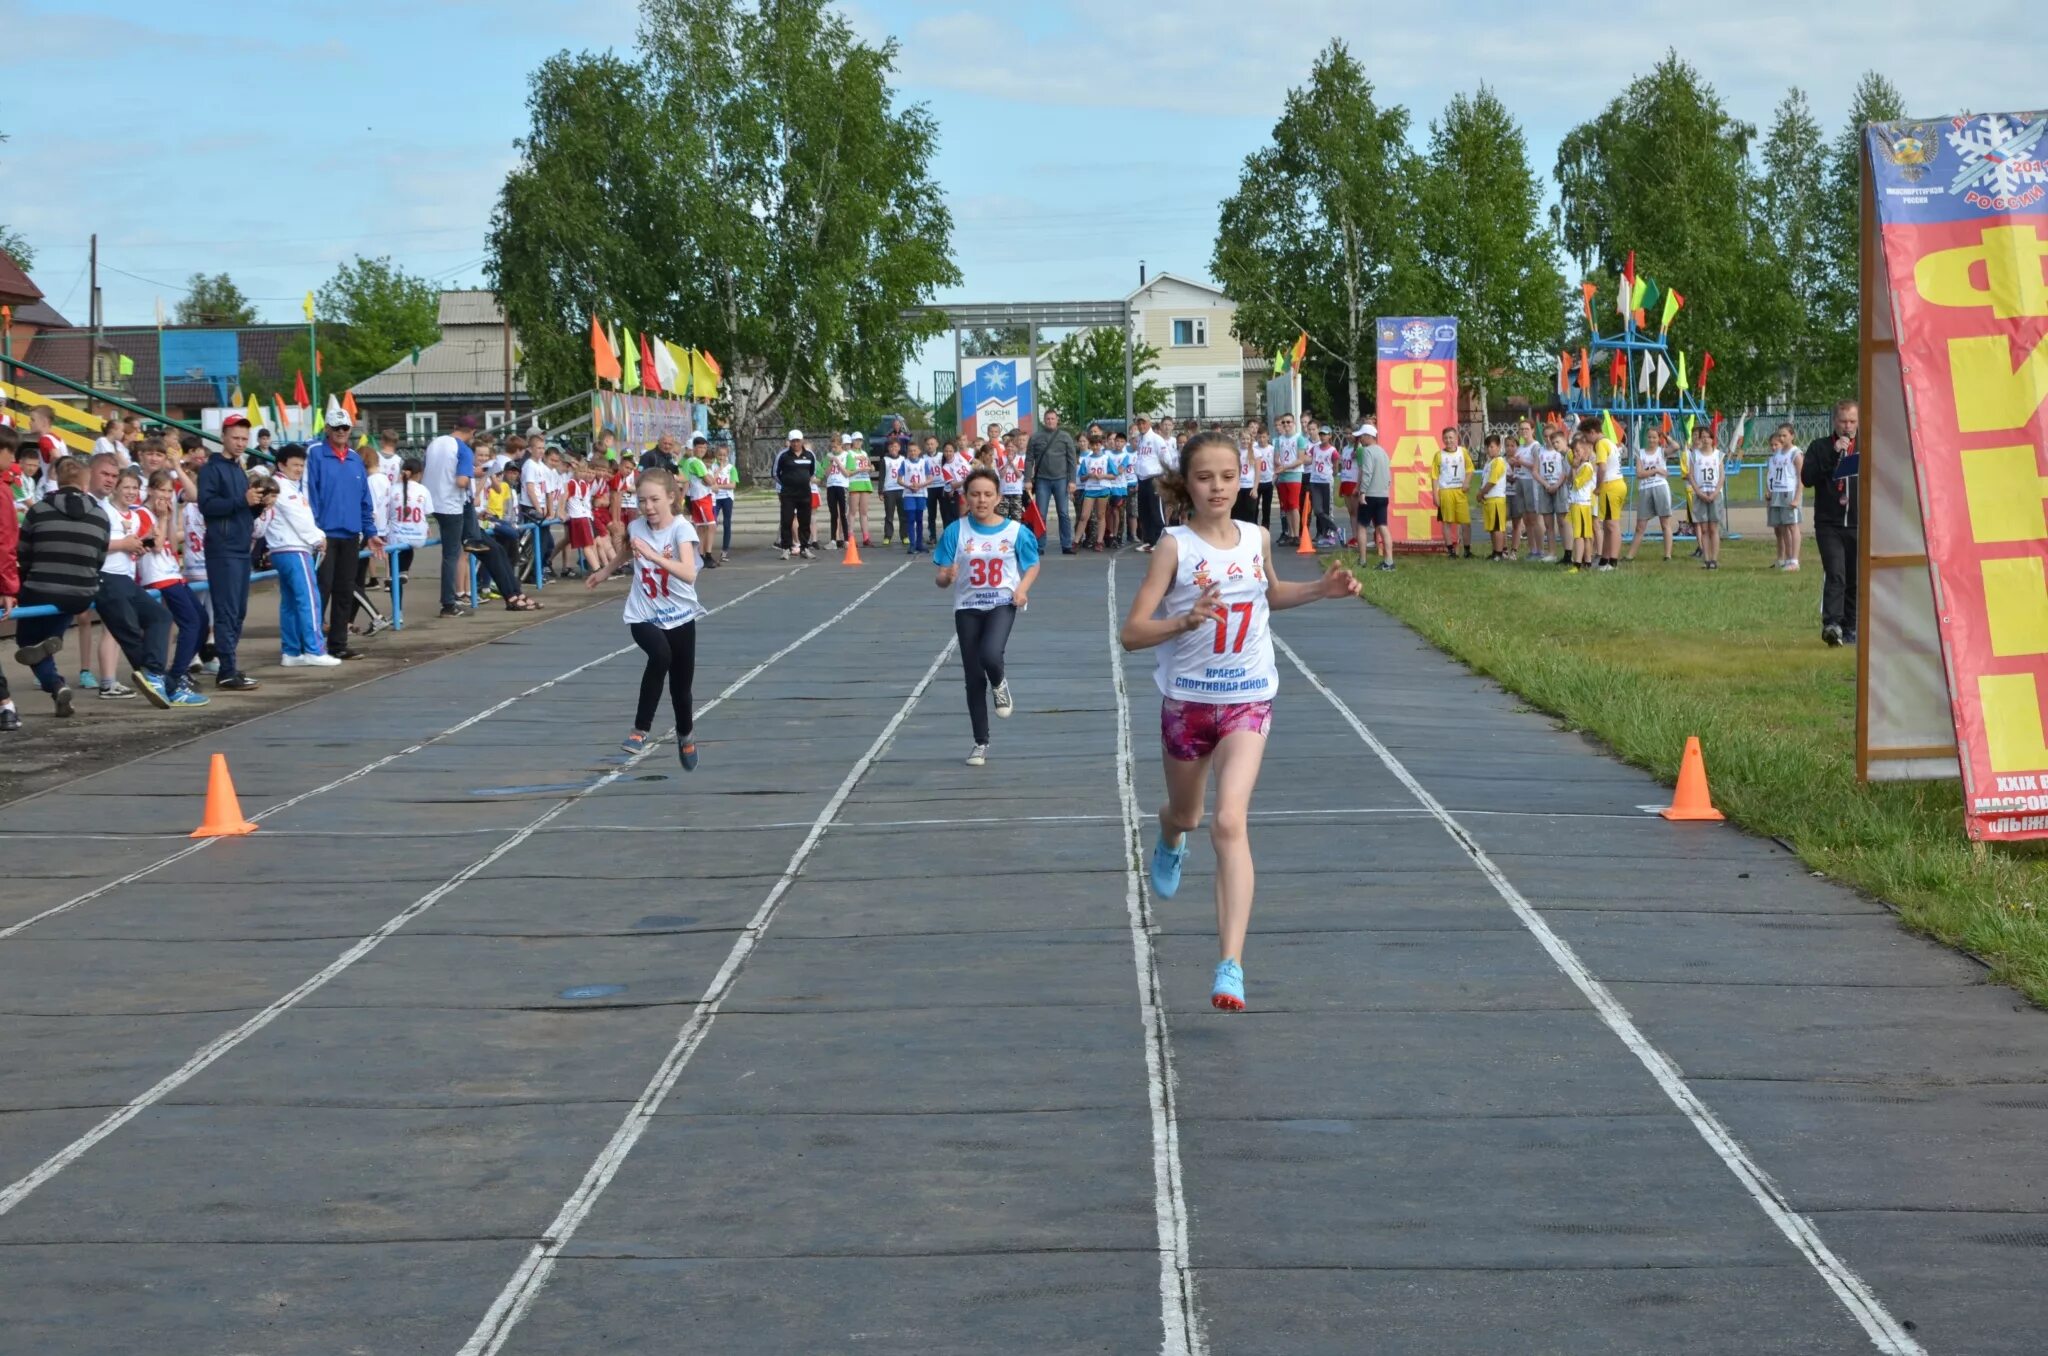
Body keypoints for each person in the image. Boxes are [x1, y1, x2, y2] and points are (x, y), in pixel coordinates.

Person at [1119, 431, 1360, 1012]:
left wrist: (1323, 590)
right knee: (1190, 814)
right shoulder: (1173, 547)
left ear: (1243, 478)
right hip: (1187, 705)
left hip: (1250, 698)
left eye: (1228, 476)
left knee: (1230, 821)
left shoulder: (1255, 537)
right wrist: (1183, 622)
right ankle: (1170, 834)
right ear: (1187, 483)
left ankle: (1231, 965)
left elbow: (1268, 596)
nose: (1218, 487)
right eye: (1205, 477)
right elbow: (1131, 634)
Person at [586, 468, 702, 770]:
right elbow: (626, 552)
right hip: (643, 612)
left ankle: (685, 734)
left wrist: (654, 556)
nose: (648, 507)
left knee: (681, 688)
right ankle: (640, 731)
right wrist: (604, 572)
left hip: (679, 615)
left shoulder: (681, 529)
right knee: (659, 655)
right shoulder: (636, 527)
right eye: (641, 501)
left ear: (671, 498)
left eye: (654, 500)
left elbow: (689, 574)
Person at [933, 465, 1040, 767]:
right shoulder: (956, 530)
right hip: (967, 607)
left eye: (987, 494)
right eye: (975, 494)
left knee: (991, 654)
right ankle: (980, 742)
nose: (981, 500)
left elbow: (1032, 564)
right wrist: (947, 577)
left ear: (998, 497)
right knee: (971, 676)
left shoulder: (1015, 531)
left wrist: (1022, 589)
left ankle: (1000, 682)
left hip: (1002, 602)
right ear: (965, 497)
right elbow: (940, 579)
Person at [10, 455, 111, 720]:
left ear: (57, 480)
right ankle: (55, 673)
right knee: (44, 642)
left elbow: (25, 554)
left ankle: (55, 685)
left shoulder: (38, 510)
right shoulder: (100, 516)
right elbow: (99, 559)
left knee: (27, 642)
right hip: (80, 593)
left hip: (40, 588)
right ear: (85, 484)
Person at [302, 412, 382, 660]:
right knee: (321, 590)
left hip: (350, 534)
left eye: (345, 427)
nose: (340, 431)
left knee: (345, 590)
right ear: (327, 428)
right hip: (324, 535)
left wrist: (370, 531)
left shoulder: (355, 459)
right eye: (336, 427)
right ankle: (313, 645)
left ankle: (338, 643)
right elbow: (309, 494)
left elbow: (364, 499)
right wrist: (314, 532)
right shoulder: (315, 454)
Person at [196, 413, 263, 689]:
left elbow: (240, 508)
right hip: (222, 549)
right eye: (235, 437)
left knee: (238, 610)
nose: (240, 443)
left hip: (239, 547)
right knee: (226, 610)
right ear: (223, 436)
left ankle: (230, 666)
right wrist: (242, 500)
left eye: (244, 439)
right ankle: (226, 669)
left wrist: (259, 505)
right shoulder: (212, 469)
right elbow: (207, 506)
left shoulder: (238, 468)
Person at [262, 445, 341, 668]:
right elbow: (299, 519)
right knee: (309, 599)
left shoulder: (286, 486)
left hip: (284, 549)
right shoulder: (282, 487)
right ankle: (314, 649)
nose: (299, 469)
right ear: (281, 465)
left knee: (290, 602)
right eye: (295, 465)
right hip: (293, 548)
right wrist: (318, 538)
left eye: (301, 465)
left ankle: (291, 650)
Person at [140, 469, 210, 705]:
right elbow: (157, 546)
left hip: (172, 572)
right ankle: (174, 680)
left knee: (201, 620)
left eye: (170, 491)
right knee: (190, 622)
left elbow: (170, 542)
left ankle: (175, 674)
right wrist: (161, 518)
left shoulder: (165, 512)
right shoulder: (142, 513)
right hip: (158, 575)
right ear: (150, 490)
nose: (166, 495)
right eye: (162, 490)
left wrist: (170, 516)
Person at [1802, 400, 1859, 643]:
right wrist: (1834, 454)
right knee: (1836, 572)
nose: (1848, 427)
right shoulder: (1820, 447)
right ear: (1834, 422)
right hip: (1829, 523)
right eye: (1843, 421)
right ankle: (1832, 624)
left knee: (1855, 576)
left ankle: (1851, 627)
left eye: (1853, 421)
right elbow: (1808, 478)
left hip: (1858, 522)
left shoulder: (1867, 446)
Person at [422, 413, 480, 618]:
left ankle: (473, 536)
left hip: (432, 501)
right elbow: (462, 482)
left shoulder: (435, 443)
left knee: (452, 551)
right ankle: (448, 603)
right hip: (450, 505)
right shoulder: (464, 450)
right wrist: (474, 474)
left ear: (455, 425)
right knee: (451, 555)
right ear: (472, 432)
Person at [1026, 409, 1079, 554]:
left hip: (1061, 480)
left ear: (1057, 420)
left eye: (1052, 418)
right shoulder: (1035, 437)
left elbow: (1072, 461)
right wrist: (1027, 480)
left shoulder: (1065, 437)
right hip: (1042, 480)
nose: (1050, 421)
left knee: (1063, 513)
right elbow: (1029, 459)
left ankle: (1066, 545)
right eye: (1047, 418)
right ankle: (1040, 546)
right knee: (1040, 514)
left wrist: (1072, 481)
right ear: (1044, 420)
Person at [1625, 426, 1676, 563]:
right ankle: (1630, 555)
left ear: (1658, 439)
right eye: (1649, 437)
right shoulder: (1641, 453)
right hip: (1645, 488)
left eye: (1655, 437)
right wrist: (1657, 470)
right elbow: (1639, 474)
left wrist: (1665, 436)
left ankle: (1667, 555)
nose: (1652, 440)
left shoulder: (1661, 452)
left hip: (1660, 487)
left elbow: (1676, 447)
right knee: (1640, 525)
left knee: (1664, 522)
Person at [1353, 423, 1393, 571]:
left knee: (1362, 525)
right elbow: (1388, 475)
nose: (1360, 439)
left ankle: (1362, 560)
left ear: (1369, 436)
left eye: (1362, 436)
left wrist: (1362, 491)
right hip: (1383, 494)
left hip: (1370, 495)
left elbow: (1367, 472)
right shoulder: (1383, 452)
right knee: (1382, 525)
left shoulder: (1367, 451)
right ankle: (1389, 561)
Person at [773, 430, 818, 559]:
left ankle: (804, 548)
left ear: (802, 441)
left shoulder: (809, 455)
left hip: (804, 493)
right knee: (786, 520)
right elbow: (775, 473)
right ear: (790, 441)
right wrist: (786, 483)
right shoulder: (783, 455)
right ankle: (786, 548)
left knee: (805, 521)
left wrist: (802, 481)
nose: (795, 444)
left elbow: (812, 472)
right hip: (788, 494)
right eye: (793, 441)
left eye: (798, 441)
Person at [1766, 423, 1804, 571]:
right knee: (1782, 527)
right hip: (1777, 492)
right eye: (1780, 435)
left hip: (1789, 492)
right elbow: (1772, 473)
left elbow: (1801, 477)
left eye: (1785, 435)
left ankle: (1794, 560)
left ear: (1792, 436)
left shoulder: (1796, 453)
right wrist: (1769, 489)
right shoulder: (1778, 454)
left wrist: (1797, 498)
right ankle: (1787, 558)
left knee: (1792, 526)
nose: (1782, 438)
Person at [1688, 426, 1726, 571]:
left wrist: (1716, 492)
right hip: (1700, 493)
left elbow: (1722, 475)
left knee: (1713, 528)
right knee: (1703, 529)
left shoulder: (1718, 455)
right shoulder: (1694, 455)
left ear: (1712, 439)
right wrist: (1698, 492)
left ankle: (1714, 560)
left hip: (1714, 494)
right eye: (1702, 437)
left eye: (1707, 436)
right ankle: (1707, 558)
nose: (1704, 439)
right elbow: (1691, 475)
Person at [1432, 427, 1472, 557]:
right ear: (1443, 439)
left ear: (1456, 439)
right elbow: (1435, 476)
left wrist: (1467, 482)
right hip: (1446, 491)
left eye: (1451, 438)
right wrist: (1435, 494)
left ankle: (1467, 550)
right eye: (1446, 438)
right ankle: (1451, 550)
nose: (1448, 440)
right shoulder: (1439, 455)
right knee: (1447, 522)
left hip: (1460, 491)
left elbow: (1470, 468)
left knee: (1465, 522)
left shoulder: (1463, 452)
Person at [1271, 412, 1307, 546]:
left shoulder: (1299, 438)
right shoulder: (1279, 439)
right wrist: (1279, 465)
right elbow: (1276, 457)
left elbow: (1301, 459)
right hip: (1283, 475)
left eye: (1288, 422)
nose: (1286, 424)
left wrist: (1285, 467)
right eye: (1284, 422)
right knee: (1286, 506)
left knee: (1294, 504)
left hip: (1294, 474)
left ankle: (1297, 534)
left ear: (1293, 423)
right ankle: (1291, 533)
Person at [1566, 431, 1597, 572]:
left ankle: (1578, 563)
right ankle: (1587, 562)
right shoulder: (1580, 467)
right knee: (1583, 534)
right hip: (1577, 503)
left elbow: (1577, 483)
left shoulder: (1587, 467)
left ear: (1586, 451)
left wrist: (1573, 468)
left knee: (1579, 535)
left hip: (1581, 503)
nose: (1576, 454)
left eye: (1578, 451)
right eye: (1574, 451)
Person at [1479, 435, 1511, 560]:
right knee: (1492, 527)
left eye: (1492, 446)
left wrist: (1481, 493)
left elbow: (1492, 481)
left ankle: (1499, 552)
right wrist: (1481, 492)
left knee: (1497, 527)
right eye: (1487, 447)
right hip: (1489, 499)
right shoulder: (1489, 462)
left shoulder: (1499, 462)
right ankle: (1495, 551)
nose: (1489, 449)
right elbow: (1484, 480)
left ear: (1498, 447)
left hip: (1496, 498)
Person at [899, 438, 931, 556]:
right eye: (910, 451)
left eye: (915, 450)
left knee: (919, 519)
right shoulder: (905, 463)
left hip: (921, 493)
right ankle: (912, 544)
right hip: (909, 494)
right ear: (908, 452)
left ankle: (919, 544)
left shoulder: (924, 462)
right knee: (911, 519)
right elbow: (899, 480)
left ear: (919, 451)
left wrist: (920, 485)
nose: (912, 453)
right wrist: (909, 486)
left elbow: (930, 478)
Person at [708, 445, 738, 560]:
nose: (722, 457)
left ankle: (724, 550)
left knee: (727, 523)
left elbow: (732, 485)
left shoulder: (731, 468)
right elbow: (710, 481)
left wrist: (719, 486)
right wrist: (719, 470)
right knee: (712, 523)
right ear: (716, 455)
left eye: (724, 455)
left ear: (728, 455)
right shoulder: (712, 467)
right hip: (715, 498)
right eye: (719, 455)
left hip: (727, 498)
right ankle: (708, 549)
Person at [879, 435, 906, 545]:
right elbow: (882, 476)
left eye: (895, 446)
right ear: (888, 448)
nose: (893, 449)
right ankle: (888, 535)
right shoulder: (885, 460)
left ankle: (904, 535)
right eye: (891, 447)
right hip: (889, 490)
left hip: (902, 488)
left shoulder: (903, 459)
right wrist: (880, 491)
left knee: (903, 515)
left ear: (899, 447)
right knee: (889, 515)